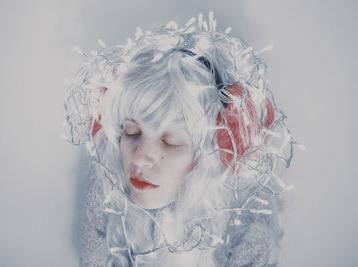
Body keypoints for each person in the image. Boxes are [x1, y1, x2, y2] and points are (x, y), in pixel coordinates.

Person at [64, 12, 293, 267]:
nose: (139, 158)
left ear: (217, 155)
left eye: (170, 142)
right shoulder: (107, 196)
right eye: (131, 132)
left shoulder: (248, 236)